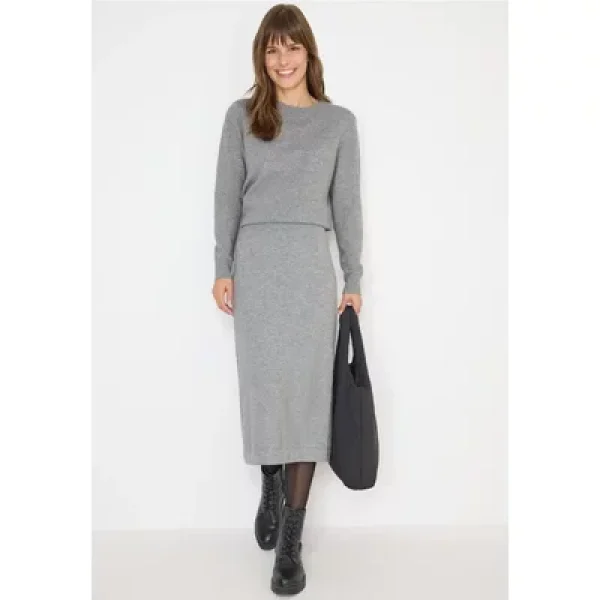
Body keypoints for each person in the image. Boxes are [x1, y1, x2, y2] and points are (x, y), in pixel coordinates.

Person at [211, 3, 363, 595]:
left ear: (308, 52)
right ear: (262, 57)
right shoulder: (242, 117)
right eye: (272, 49)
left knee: (307, 399)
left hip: (307, 271)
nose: (282, 60)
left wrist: (353, 277)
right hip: (255, 267)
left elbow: (347, 206)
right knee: (265, 389)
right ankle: (270, 478)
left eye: (291, 47)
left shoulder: (338, 123)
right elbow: (226, 197)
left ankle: (290, 544)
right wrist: (222, 268)